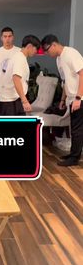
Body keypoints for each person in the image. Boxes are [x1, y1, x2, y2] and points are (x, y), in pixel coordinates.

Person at [41, 34, 83, 166]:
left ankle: (74, 158)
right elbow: (65, 81)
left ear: (54, 44)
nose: (47, 53)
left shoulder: (71, 54)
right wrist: (63, 99)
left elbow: (82, 74)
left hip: (79, 98)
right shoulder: (59, 59)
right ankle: (73, 154)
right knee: (74, 127)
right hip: (71, 98)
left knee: (77, 129)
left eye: (47, 50)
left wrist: (78, 98)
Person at [0, 35, 40, 115]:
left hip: (13, 99)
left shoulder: (20, 57)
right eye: (36, 49)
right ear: (29, 46)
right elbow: (16, 79)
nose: (36, 52)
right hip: (10, 101)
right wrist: (25, 101)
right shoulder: (19, 58)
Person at [0, 27, 20, 114]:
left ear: (13, 37)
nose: (7, 39)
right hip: (0, 92)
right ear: (1, 38)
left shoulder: (19, 52)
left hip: (16, 92)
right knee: (3, 116)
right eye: (5, 36)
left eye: (9, 36)